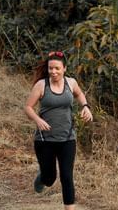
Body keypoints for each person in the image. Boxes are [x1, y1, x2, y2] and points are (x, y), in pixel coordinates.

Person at [23, 50, 92, 210]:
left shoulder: (71, 83)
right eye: (50, 68)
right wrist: (38, 120)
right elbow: (28, 107)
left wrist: (86, 106)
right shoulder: (41, 85)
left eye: (57, 68)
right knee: (50, 178)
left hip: (68, 138)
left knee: (67, 177)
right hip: (45, 140)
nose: (53, 72)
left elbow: (79, 93)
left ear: (64, 69)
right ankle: (42, 179)